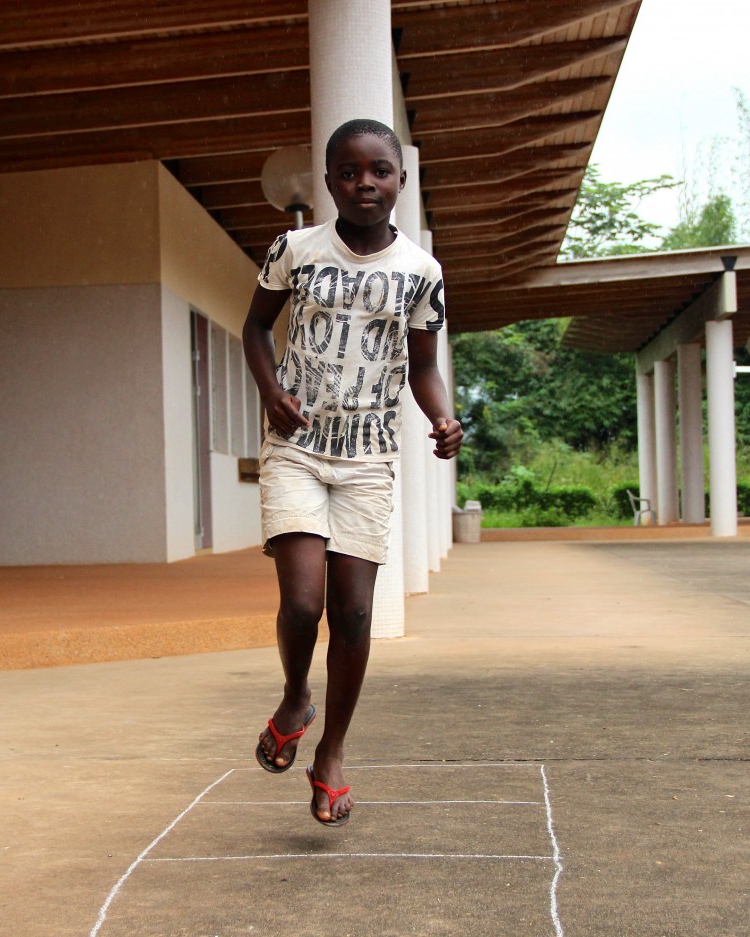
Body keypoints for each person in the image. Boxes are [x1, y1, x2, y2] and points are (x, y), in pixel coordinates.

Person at [242, 118, 463, 827]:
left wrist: (442, 417)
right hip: (299, 447)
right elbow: (254, 327)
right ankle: (293, 696)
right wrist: (270, 390)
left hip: (369, 455)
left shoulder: (420, 271)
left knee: (356, 611)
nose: (364, 183)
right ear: (330, 179)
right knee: (304, 603)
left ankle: (330, 752)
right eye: (348, 171)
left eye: (379, 171)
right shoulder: (295, 249)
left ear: (401, 179)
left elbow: (423, 367)